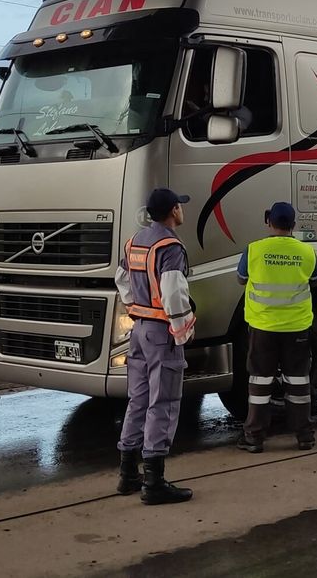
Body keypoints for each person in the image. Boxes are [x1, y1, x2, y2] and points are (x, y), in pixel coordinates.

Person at [113, 187, 196, 505]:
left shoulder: (135, 242)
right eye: (180, 205)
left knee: (138, 400)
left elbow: (121, 279)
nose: (181, 210)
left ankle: (127, 475)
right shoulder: (170, 245)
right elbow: (173, 291)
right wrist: (181, 331)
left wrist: (137, 306)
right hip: (162, 333)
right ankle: (155, 482)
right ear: (174, 211)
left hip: (140, 330)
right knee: (163, 402)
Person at [236, 202, 317, 453]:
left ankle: (254, 436)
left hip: (263, 326)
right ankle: (304, 435)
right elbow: (315, 281)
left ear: (268, 222)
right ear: (293, 225)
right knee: (298, 381)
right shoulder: (307, 252)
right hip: (297, 328)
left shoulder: (253, 250)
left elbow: (241, 279)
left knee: (260, 382)